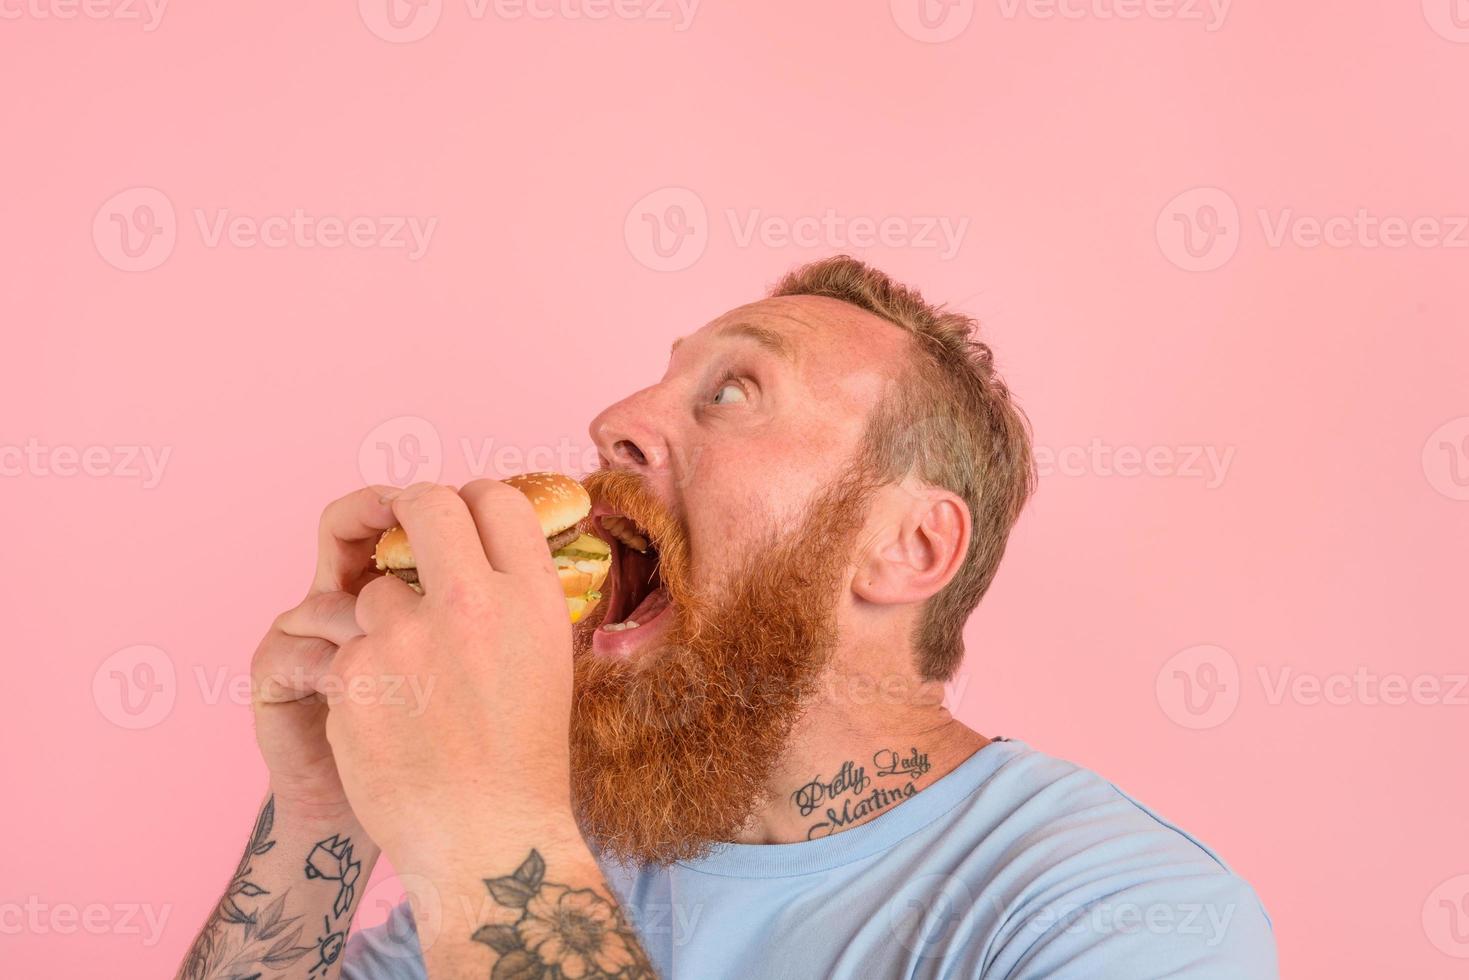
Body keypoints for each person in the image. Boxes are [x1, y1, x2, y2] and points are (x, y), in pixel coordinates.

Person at [174, 256, 1277, 979]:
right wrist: (324, 808)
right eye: (655, 382)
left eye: (736, 391)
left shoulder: (1124, 916)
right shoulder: (589, 842)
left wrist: (483, 829)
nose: (611, 421)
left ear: (908, 546)